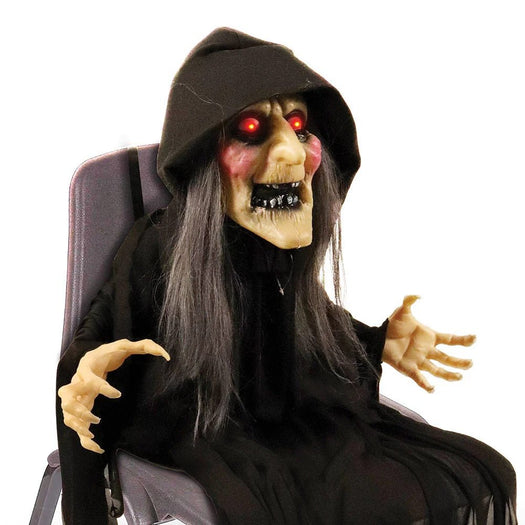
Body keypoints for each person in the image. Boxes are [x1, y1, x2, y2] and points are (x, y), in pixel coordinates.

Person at [57, 27, 517, 524]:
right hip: (205, 429)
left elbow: (300, 327)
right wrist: (83, 377)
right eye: (251, 129)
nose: (294, 153)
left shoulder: (274, 250)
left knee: (483, 470)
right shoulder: (158, 248)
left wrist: (376, 340)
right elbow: (94, 347)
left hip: (290, 425)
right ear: (205, 160)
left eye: (298, 126)